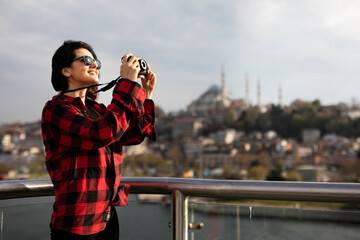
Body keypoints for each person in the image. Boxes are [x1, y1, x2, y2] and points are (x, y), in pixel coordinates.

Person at [41, 40, 156, 240]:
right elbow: (101, 133)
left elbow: (134, 135)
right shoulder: (56, 109)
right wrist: (127, 84)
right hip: (77, 222)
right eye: (86, 60)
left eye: (96, 61)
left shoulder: (98, 111)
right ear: (66, 70)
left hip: (107, 216)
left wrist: (144, 96)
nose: (94, 65)